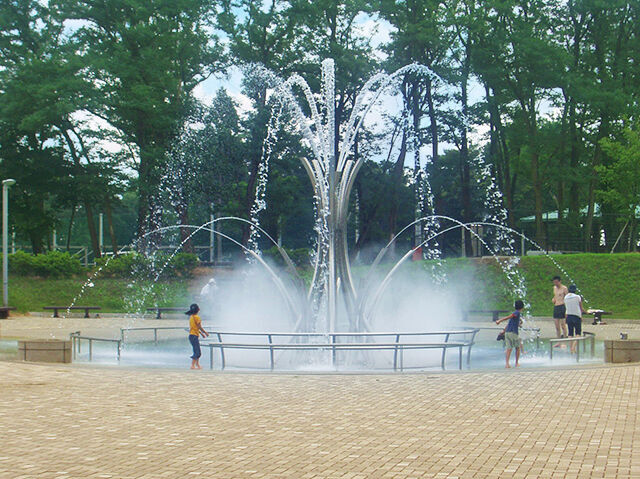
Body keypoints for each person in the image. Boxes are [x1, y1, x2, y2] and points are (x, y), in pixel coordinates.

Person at [496, 300, 524, 368]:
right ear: (522, 307)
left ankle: (507, 364)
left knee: (509, 348)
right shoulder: (516, 313)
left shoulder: (516, 314)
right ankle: (516, 363)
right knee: (517, 348)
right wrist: (500, 320)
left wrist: (504, 331)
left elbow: (509, 323)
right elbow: (509, 317)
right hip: (513, 333)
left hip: (507, 333)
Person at [564, 285, 586, 353]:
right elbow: (581, 308)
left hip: (569, 316)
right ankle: (573, 347)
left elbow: (566, 308)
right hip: (576, 316)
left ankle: (571, 348)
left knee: (570, 333)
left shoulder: (565, 297)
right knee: (578, 333)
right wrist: (586, 312)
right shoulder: (577, 297)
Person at [186, 303, 208, 369]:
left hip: (191, 335)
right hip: (194, 336)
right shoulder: (197, 317)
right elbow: (199, 326)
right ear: (198, 310)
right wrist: (205, 332)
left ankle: (197, 365)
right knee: (197, 352)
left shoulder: (191, 317)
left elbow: (195, 327)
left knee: (196, 350)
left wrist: (201, 334)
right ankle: (192, 365)